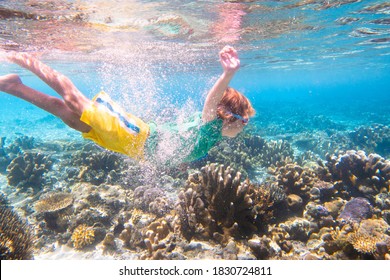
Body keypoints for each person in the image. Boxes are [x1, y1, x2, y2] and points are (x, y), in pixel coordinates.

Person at [0, 46, 255, 164]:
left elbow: (180, 146)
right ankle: (23, 58)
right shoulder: (211, 126)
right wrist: (227, 75)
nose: (245, 127)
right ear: (227, 116)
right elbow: (212, 100)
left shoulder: (211, 136)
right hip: (136, 135)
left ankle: (14, 86)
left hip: (130, 147)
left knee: (69, 116)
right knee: (74, 99)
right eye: (244, 121)